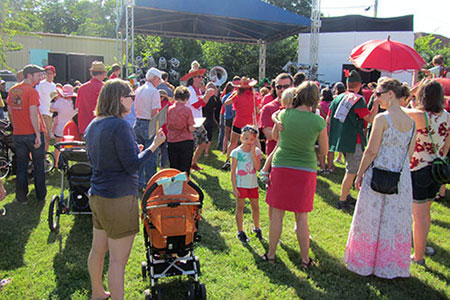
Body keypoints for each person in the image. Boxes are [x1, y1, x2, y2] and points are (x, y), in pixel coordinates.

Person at [85, 79, 166, 300]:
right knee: (118, 261)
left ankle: (97, 293)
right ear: (120, 99)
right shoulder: (120, 125)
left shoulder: (93, 124)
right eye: (131, 96)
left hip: (98, 195)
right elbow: (131, 165)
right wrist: (153, 146)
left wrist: (135, 150)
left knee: (98, 250)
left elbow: (104, 157)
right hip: (119, 198)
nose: (133, 99)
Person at [344, 78, 416, 278]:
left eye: (379, 94)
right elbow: (409, 153)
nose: (376, 98)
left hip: (378, 171)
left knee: (370, 218)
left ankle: (365, 262)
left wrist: (360, 174)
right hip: (400, 177)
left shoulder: (382, 119)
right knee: (393, 221)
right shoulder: (411, 122)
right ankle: (390, 265)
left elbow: (371, 150)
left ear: (390, 95)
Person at [262, 81, 328, 267]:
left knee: (277, 214)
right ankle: (306, 260)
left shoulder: (284, 114)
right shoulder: (318, 121)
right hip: (306, 169)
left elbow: (275, 137)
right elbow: (324, 150)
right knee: (301, 217)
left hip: (281, 166)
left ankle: (271, 254)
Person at [406, 79, 449, 265]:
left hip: (419, 168)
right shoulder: (447, 116)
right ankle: (422, 247)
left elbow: (397, 108)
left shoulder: (419, 115)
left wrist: (412, 92)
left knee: (419, 216)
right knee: (426, 212)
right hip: (437, 170)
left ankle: (419, 256)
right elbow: (447, 146)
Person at [327, 70, 380, 210]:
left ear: (347, 84)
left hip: (340, 138)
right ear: (360, 86)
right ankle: (343, 200)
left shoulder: (337, 98)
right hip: (353, 139)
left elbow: (329, 118)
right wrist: (375, 105)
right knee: (352, 171)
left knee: (349, 168)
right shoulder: (358, 99)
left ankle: (347, 195)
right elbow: (369, 119)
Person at [6, 64, 46, 204]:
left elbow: (10, 111)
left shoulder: (13, 90)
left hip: (18, 134)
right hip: (32, 134)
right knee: (39, 165)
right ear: (29, 75)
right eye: (38, 75)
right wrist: (37, 134)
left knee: (22, 165)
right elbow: (33, 113)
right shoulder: (31, 91)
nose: (40, 77)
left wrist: (15, 126)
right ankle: (41, 196)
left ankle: (21, 197)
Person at [181, 61, 215, 171]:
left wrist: (207, 96)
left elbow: (202, 104)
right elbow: (196, 105)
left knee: (204, 142)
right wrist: (207, 95)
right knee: (192, 145)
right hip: (191, 122)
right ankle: (187, 166)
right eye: (199, 76)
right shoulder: (190, 90)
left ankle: (192, 162)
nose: (201, 78)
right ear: (193, 78)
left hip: (197, 121)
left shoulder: (197, 90)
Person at [230, 125, 262, 242]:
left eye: (252, 139)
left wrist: (253, 154)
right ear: (242, 138)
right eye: (247, 138)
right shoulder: (236, 152)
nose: (249, 141)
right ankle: (240, 231)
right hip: (241, 184)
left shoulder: (256, 151)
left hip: (252, 184)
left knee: (255, 207)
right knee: (240, 206)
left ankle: (257, 228)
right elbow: (233, 171)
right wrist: (234, 187)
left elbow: (257, 167)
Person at [133, 67, 163, 190]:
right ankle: (151, 183)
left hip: (138, 122)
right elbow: (154, 112)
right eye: (158, 79)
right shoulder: (154, 92)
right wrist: (157, 127)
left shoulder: (138, 89)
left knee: (139, 153)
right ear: (155, 78)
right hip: (148, 123)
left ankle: (139, 182)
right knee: (151, 153)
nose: (159, 82)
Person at [222, 77, 258, 170]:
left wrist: (232, 94)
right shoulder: (253, 96)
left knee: (233, 143)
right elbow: (257, 111)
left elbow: (226, 103)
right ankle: (249, 162)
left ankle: (228, 161)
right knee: (250, 143)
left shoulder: (236, 95)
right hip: (249, 124)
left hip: (238, 122)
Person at [260, 73, 294, 156]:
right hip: (275, 156)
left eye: (286, 86)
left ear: (292, 86)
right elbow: (268, 134)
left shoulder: (301, 107)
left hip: (296, 155)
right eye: (279, 87)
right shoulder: (268, 108)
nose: (282, 89)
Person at [167, 86, 195, 175]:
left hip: (172, 140)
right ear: (186, 98)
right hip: (185, 140)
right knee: (185, 167)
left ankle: (175, 186)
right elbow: (190, 127)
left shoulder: (169, 109)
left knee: (174, 166)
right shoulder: (187, 110)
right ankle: (184, 186)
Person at [76, 61, 106, 135]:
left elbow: (77, 106)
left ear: (91, 73)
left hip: (84, 127)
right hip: (100, 127)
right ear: (104, 74)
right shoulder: (105, 88)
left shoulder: (82, 88)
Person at [50, 84, 78, 164]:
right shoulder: (75, 103)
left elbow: (51, 109)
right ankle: (69, 163)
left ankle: (56, 163)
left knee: (58, 147)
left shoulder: (59, 102)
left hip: (60, 127)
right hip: (71, 128)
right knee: (70, 146)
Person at [36, 65, 57, 151]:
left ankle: (45, 153)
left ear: (54, 74)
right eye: (47, 73)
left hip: (50, 113)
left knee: (48, 136)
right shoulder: (41, 84)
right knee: (46, 135)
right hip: (43, 112)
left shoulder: (54, 85)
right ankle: (43, 154)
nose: (49, 75)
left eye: (50, 73)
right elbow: (37, 97)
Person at [318, 88, 334, 173]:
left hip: (322, 128)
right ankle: (330, 167)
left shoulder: (320, 105)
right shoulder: (333, 104)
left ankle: (322, 167)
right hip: (332, 128)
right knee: (331, 149)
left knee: (322, 149)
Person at [202, 82, 220, 157]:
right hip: (209, 119)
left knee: (201, 136)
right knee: (209, 136)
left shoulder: (203, 97)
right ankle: (206, 152)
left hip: (202, 118)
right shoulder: (215, 99)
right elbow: (217, 110)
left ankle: (200, 150)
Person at [219, 82, 235, 154]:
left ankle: (223, 150)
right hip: (233, 116)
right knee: (233, 135)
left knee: (226, 135)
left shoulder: (224, 97)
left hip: (227, 116)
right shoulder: (233, 96)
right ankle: (231, 150)